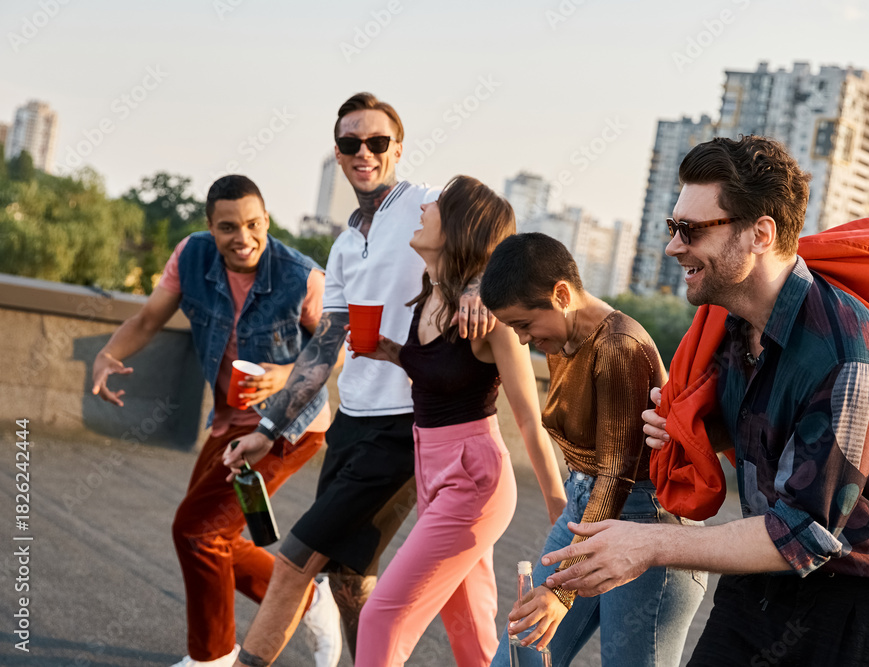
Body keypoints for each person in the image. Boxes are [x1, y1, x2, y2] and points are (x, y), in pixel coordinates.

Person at [543, 136, 869, 666]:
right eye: (671, 227)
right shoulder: (731, 327)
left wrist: (648, 544)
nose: (673, 246)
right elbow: (772, 437)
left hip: (857, 607)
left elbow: (805, 533)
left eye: (691, 230)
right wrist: (695, 432)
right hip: (760, 586)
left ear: (760, 234)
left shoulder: (846, 357)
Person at [222, 93, 495, 667]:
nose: (362, 152)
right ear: (339, 153)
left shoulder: (427, 205)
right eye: (350, 143)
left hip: (406, 425)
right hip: (351, 422)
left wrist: (476, 286)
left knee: (299, 554)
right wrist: (269, 429)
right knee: (349, 576)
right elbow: (325, 346)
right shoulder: (345, 244)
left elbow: (493, 229)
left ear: (397, 148)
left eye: (376, 142)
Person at [90, 174, 341, 667]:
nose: (242, 237)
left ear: (266, 220)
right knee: (210, 535)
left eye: (252, 224)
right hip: (229, 422)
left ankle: (212, 657)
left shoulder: (301, 276)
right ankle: (306, 599)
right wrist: (107, 354)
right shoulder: (191, 256)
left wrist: (287, 375)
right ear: (210, 226)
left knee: (197, 532)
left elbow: (338, 348)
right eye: (228, 227)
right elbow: (146, 320)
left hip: (289, 427)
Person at [347, 175, 566, 666]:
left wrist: (560, 508)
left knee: (382, 614)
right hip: (432, 471)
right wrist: (390, 352)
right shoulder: (431, 296)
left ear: (460, 227)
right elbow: (437, 370)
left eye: (438, 205)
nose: (425, 208)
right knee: (468, 631)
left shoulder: (487, 317)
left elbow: (530, 419)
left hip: (474, 480)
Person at [479, 233, 707, 666]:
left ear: (562, 294)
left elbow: (618, 474)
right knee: (520, 658)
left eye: (525, 325)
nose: (523, 341)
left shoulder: (618, 346)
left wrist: (562, 591)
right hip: (586, 510)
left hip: (644, 522)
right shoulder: (564, 337)